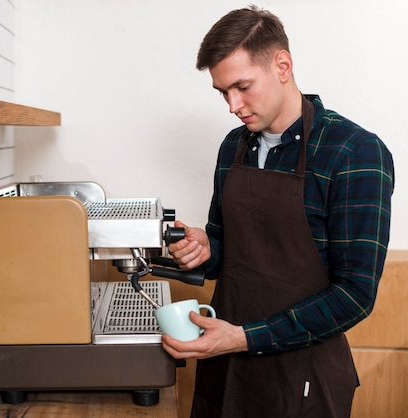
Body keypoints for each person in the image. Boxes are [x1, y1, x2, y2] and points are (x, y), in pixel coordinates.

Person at [162, 6, 394, 418]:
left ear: (282, 65)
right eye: (222, 92)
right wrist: (205, 248)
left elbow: (355, 296)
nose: (232, 105)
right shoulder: (233, 147)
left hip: (303, 381)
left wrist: (244, 337)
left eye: (242, 87)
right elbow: (226, 251)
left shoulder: (355, 152)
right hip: (225, 367)